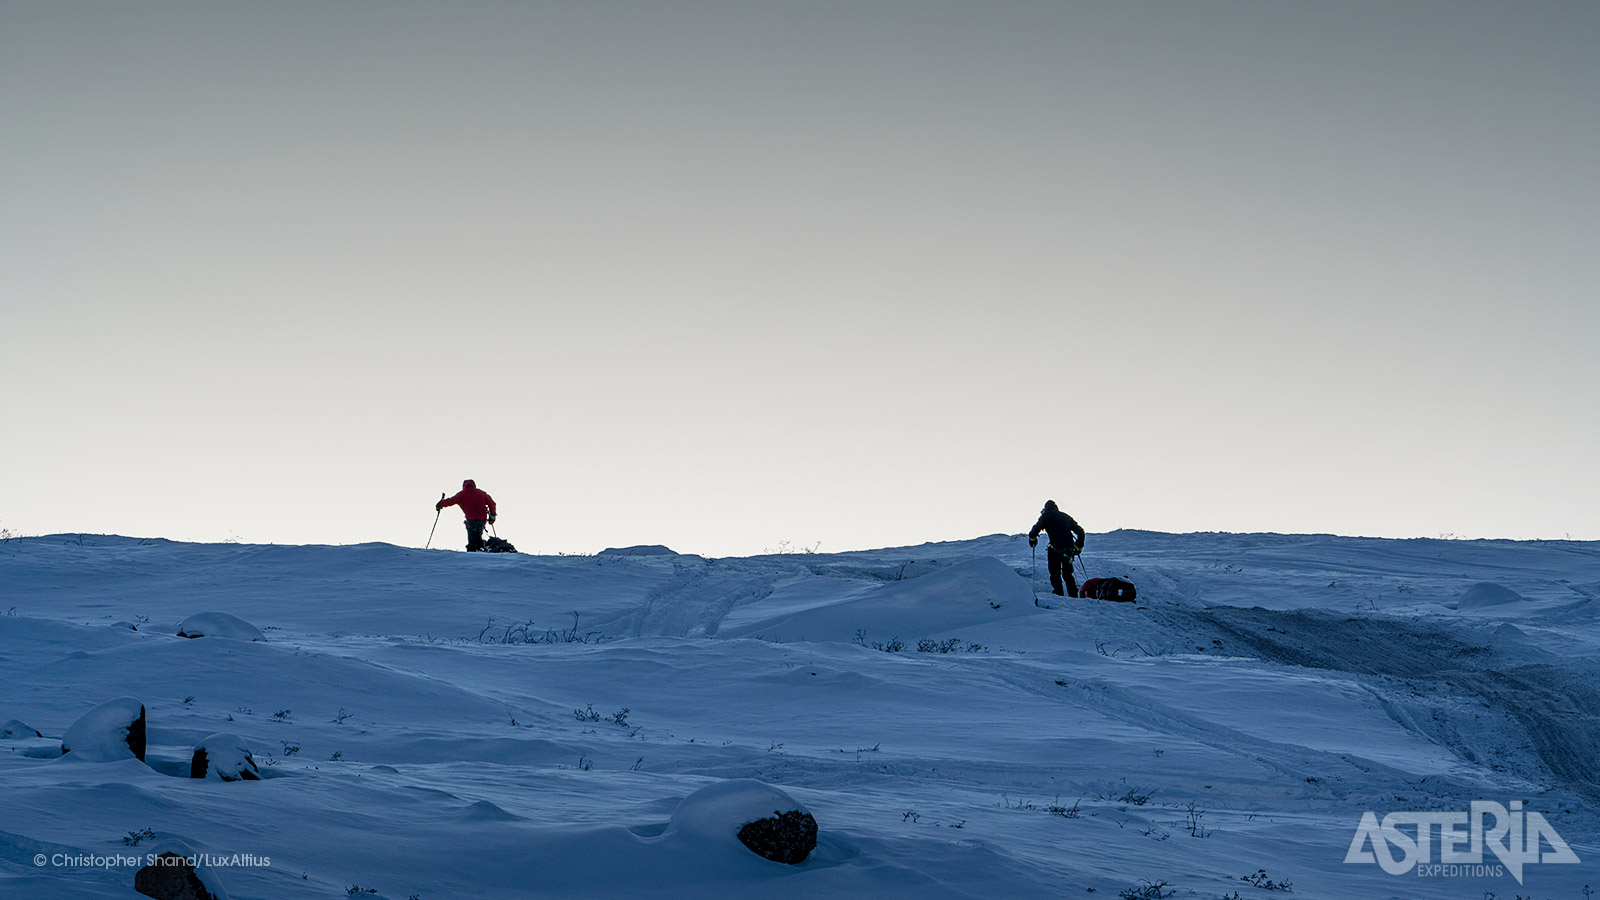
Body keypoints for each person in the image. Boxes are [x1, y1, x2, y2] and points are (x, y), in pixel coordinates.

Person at [1028, 499, 1085, 597]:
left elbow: (1035, 530)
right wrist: (1078, 547)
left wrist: (1032, 539)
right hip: (1068, 550)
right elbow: (1080, 532)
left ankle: (1059, 594)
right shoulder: (1066, 516)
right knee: (1068, 574)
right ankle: (1073, 595)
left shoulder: (1045, 516)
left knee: (1055, 573)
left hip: (1055, 550)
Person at [436, 479, 497, 552]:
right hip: (482, 519)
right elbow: (492, 503)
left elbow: (450, 501)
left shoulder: (462, 494)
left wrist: (440, 504)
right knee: (478, 534)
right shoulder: (481, 493)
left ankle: (473, 552)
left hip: (471, 520)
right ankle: (481, 549)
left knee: (472, 538)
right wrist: (492, 515)